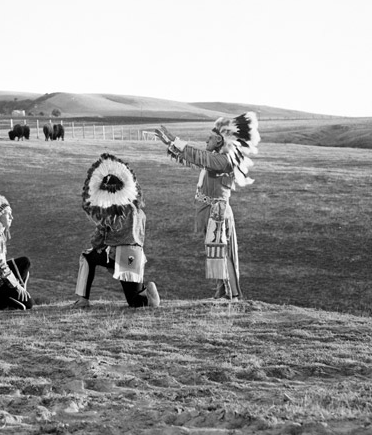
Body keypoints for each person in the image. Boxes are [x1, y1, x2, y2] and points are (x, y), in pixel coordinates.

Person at [154, 112, 261, 301]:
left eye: (210, 137)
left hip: (217, 214)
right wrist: (171, 145)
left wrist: (175, 141)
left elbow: (199, 157)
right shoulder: (216, 159)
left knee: (222, 253)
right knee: (216, 252)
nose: (207, 140)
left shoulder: (222, 161)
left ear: (219, 140)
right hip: (211, 213)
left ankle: (232, 295)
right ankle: (222, 293)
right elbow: (195, 159)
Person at [73, 153, 160, 308]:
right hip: (136, 256)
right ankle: (148, 295)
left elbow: (99, 238)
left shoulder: (111, 212)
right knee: (134, 300)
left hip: (118, 254)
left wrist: (99, 247)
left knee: (87, 257)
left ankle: (83, 299)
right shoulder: (136, 209)